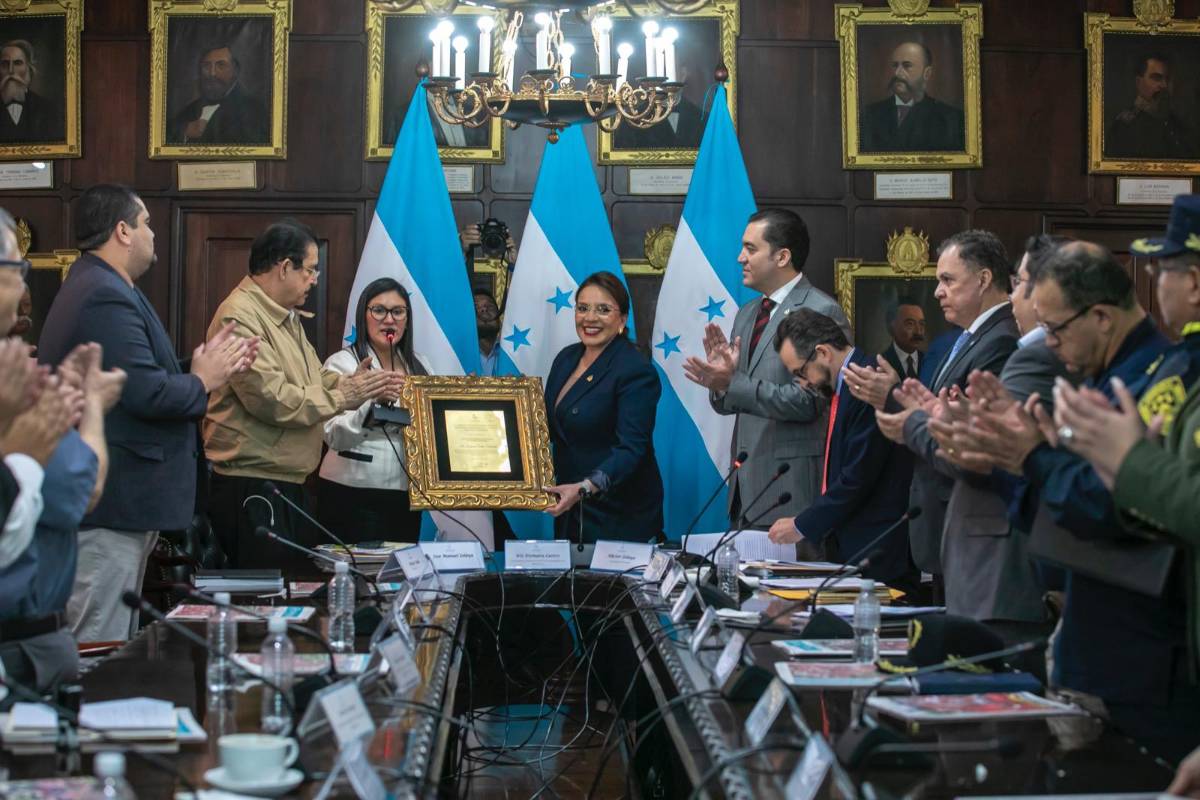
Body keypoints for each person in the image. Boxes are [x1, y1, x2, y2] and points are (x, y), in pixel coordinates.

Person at [952, 241, 1199, 763]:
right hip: (1097, 642)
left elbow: (1113, 509)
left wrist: (1030, 459)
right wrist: (1014, 459)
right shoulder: (1111, 378)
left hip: (1140, 657)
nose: (1050, 344)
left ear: (1102, 318)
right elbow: (1063, 510)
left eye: (1057, 329)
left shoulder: (1157, 382)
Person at [36, 184, 255, 642]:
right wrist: (201, 380)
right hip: (111, 506)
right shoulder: (103, 294)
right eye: (147, 223)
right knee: (96, 647)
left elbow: (133, 378)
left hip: (120, 504)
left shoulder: (103, 285)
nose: (153, 233)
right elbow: (147, 395)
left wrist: (198, 367)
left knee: (110, 643)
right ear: (122, 231)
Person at [203, 220, 400, 569]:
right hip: (251, 485)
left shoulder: (283, 316)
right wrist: (345, 397)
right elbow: (273, 400)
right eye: (309, 270)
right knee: (263, 602)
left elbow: (315, 377)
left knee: (292, 593)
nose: (314, 279)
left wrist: (351, 383)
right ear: (284, 268)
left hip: (284, 484)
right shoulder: (240, 316)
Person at [854, 230, 1018, 577]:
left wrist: (891, 399)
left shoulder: (1001, 341)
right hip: (946, 519)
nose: (938, 292)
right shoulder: (966, 338)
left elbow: (971, 437)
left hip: (973, 521)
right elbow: (935, 410)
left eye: (947, 280)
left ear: (983, 279)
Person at [683, 209, 850, 539]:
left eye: (750, 248)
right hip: (746, 494)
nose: (740, 257)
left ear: (782, 256)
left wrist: (734, 383)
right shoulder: (748, 314)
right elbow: (730, 403)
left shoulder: (820, 309)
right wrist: (720, 382)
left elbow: (811, 401)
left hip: (791, 495)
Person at [0, 342, 123, 698]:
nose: (26, 348)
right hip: (23, 647)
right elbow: (85, 489)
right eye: (9, 333)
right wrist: (94, 407)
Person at [765, 309, 916, 588]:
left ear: (822, 352)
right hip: (854, 546)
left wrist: (801, 525)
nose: (802, 383)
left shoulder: (868, 383)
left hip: (878, 550)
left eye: (800, 372)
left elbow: (858, 476)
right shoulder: (845, 387)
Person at [542, 271, 663, 542]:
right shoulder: (566, 358)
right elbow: (548, 428)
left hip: (617, 514)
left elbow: (632, 449)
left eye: (603, 310)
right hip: (569, 508)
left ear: (622, 320)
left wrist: (585, 488)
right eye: (583, 308)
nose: (590, 318)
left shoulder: (635, 370)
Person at [317, 278, 426, 545]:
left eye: (398, 311)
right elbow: (332, 435)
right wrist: (369, 403)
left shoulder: (421, 367)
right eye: (379, 310)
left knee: (396, 579)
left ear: (407, 319)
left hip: (405, 495)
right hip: (351, 491)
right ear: (363, 316)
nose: (389, 320)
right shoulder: (342, 363)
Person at [859, 41, 964, 152]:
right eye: (895, 66)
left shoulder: (950, 119)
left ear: (927, 73)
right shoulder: (869, 115)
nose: (897, 73)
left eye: (907, 66)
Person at [168, 44, 269, 145]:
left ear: (235, 70)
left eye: (221, 65)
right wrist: (185, 134)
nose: (212, 73)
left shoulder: (254, 111)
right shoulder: (189, 110)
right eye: (206, 65)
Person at [1106, 53, 1197, 160]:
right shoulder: (1124, 126)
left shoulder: (1179, 126)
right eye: (1156, 78)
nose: (1164, 85)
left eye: (1167, 79)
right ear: (1139, 82)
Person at [0, 39, 63, 144]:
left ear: (29, 69)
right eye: (5, 64)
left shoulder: (47, 109)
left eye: (17, 63)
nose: (10, 70)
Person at [881, 299, 925, 380]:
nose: (918, 332)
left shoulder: (930, 361)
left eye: (921, 324)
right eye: (910, 324)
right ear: (892, 327)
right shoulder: (880, 363)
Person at [474, 289, 503, 377]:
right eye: (476, 308)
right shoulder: (456, 356)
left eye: (489, 306)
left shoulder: (514, 354)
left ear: (499, 319)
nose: (484, 309)